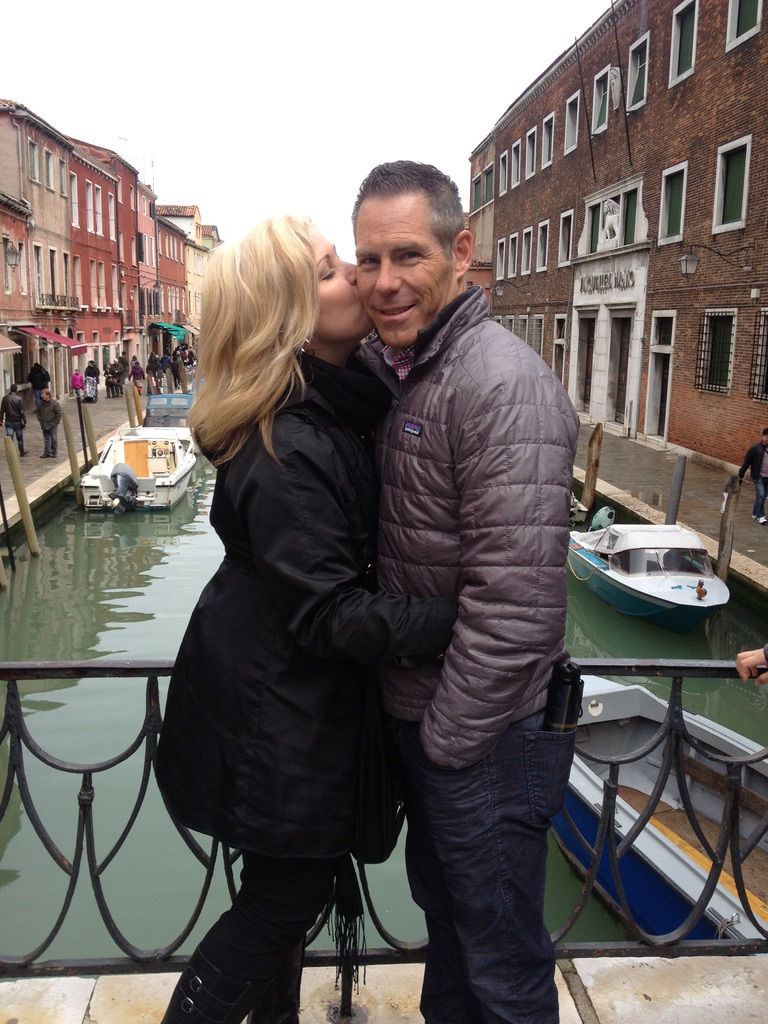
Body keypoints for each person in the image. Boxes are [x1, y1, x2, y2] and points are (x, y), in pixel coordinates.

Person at [155, 215, 457, 1024]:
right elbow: (330, 613)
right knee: (278, 908)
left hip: (281, 701)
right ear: (288, 313)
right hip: (274, 715)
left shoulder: (332, 408)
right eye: (329, 272)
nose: (356, 279)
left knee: (284, 897)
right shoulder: (291, 442)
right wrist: (458, 619)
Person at [352, 161, 580, 1024]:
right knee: (452, 941)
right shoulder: (413, 372)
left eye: (407, 255)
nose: (385, 281)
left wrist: (441, 744)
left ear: (461, 250)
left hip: (484, 740)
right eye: (368, 260)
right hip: (437, 729)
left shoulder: (498, 383)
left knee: (505, 973)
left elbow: (517, 609)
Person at [738, 427, 768, 524]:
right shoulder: (755, 449)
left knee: (762, 496)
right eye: (767, 437)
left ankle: (755, 513)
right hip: (758, 476)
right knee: (761, 494)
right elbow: (746, 462)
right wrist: (741, 474)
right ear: (763, 436)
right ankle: (761, 516)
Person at [0, 383, 27, 456]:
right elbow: (22, 411)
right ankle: (22, 452)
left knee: (10, 438)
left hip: (9, 420)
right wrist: (24, 421)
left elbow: (2, 410)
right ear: (16, 390)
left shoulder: (5, 398)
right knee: (19, 438)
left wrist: (1, 420)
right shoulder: (19, 399)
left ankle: (10, 453)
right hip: (17, 421)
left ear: (10, 389)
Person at [36, 388, 62, 458]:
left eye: (43, 394)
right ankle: (47, 452)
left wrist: (55, 422)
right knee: (46, 439)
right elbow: (38, 412)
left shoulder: (54, 404)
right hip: (44, 424)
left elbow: (58, 414)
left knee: (54, 439)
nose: (41, 396)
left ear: (48, 395)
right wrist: (40, 420)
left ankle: (54, 452)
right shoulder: (40, 404)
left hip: (52, 424)